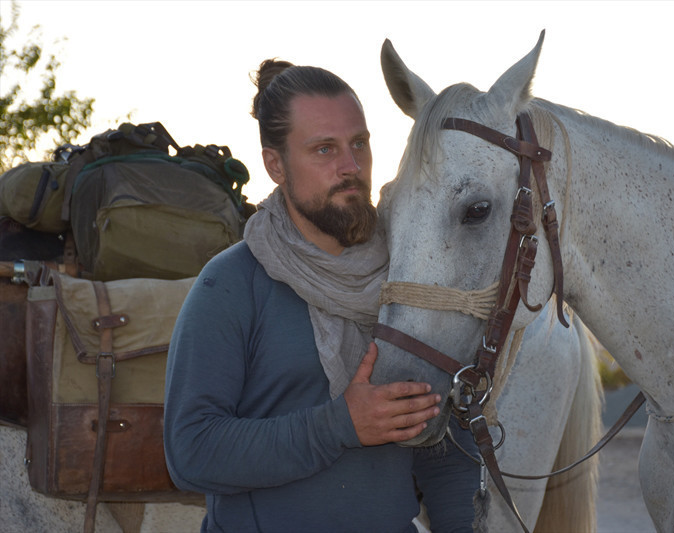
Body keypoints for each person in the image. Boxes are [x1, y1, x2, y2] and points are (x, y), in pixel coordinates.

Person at [163, 58, 480, 532]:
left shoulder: (409, 282)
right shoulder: (230, 285)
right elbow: (191, 452)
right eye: (324, 149)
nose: (351, 167)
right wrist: (340, 426)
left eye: (359, 144)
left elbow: (445, 445)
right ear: (276, 165)